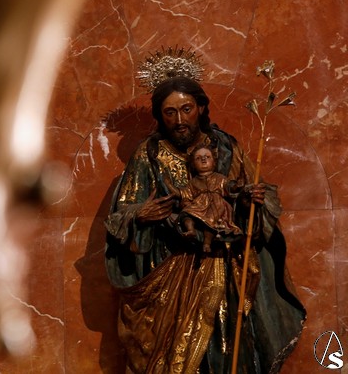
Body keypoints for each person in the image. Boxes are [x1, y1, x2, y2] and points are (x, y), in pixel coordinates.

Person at [104, 59, 306, 373]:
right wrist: (140, 215)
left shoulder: (226, 147)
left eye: (186, 109)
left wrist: (252, 200)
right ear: (160, 116)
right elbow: (121, 213)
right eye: (170, 112)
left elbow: (248, 194)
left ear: (200, 108)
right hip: (172, 273)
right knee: (176, 354)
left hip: (225, 268)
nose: (179, 120)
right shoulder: (149, 155)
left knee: (229, 350)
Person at [163, 143, 244, 253]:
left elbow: (230, 188)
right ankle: (190, 230)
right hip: (198, 207)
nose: (203, 159)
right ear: (193, 164)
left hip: (217, 206)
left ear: (214, 162)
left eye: (207, 157)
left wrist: (237, 185)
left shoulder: (220, 178)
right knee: (185, 214)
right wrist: (169, 185)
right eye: (198, 158)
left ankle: (207, 243)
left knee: (210, 222)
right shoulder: (193, 182)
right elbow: (183, 194)